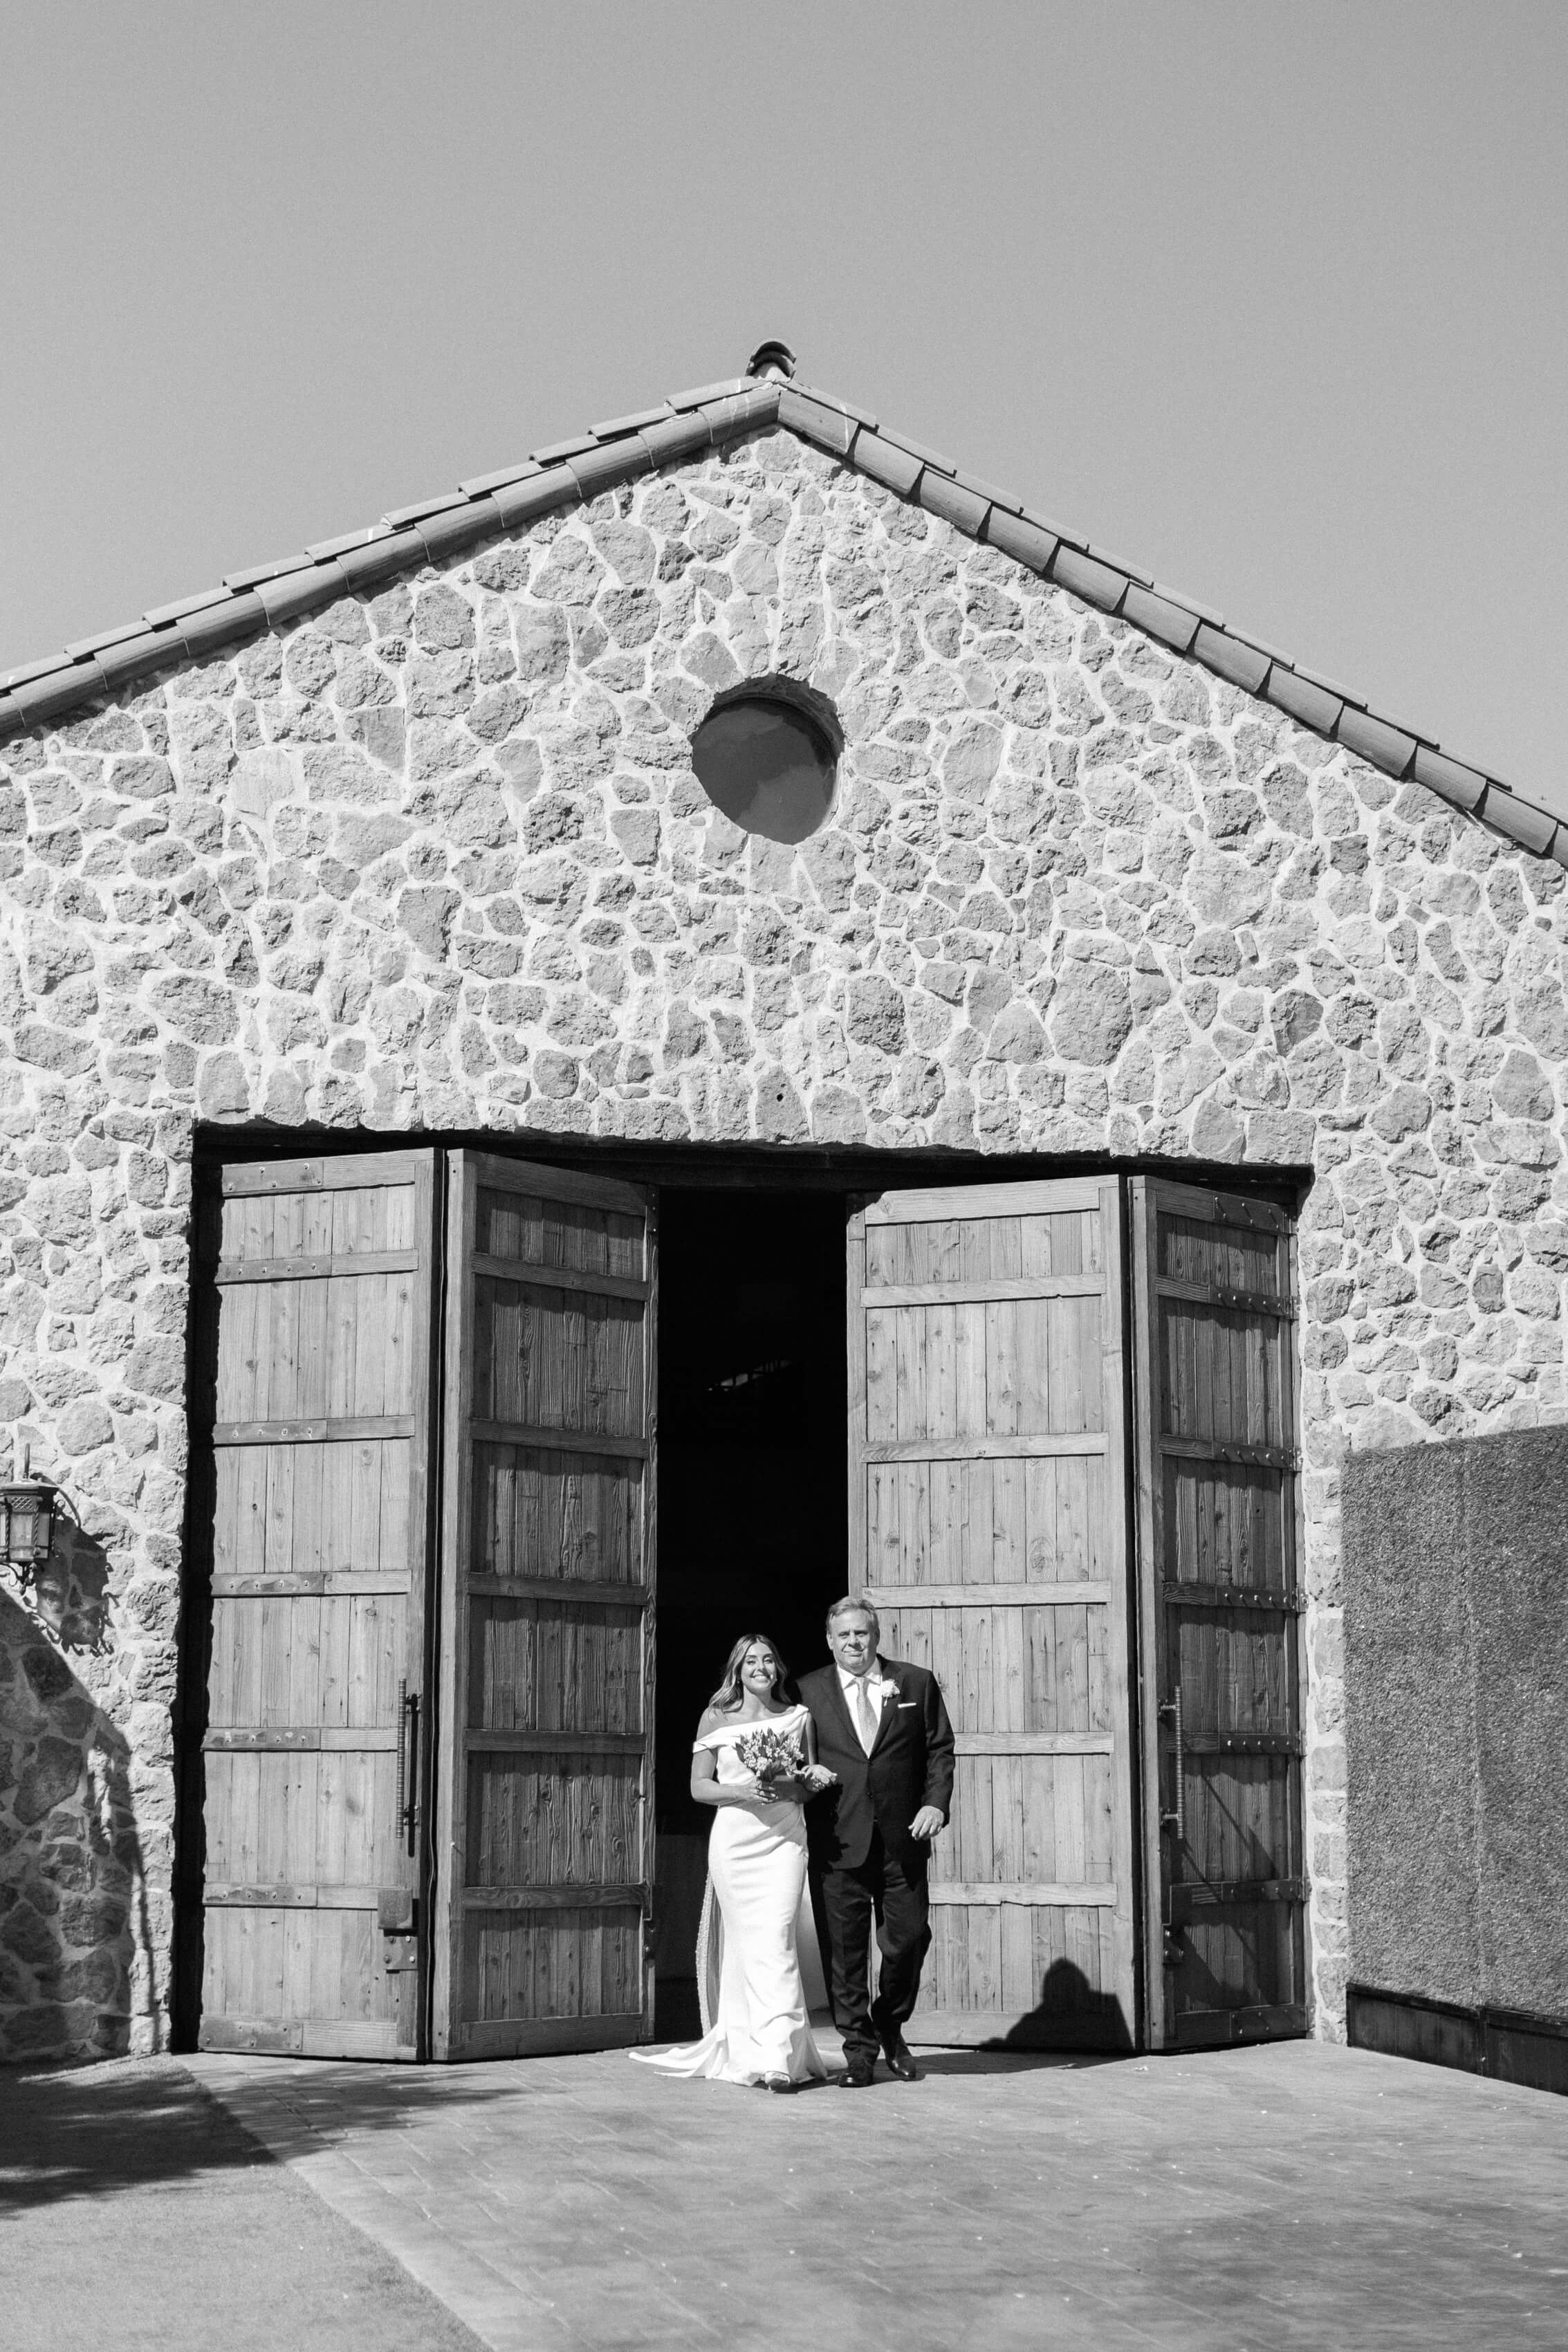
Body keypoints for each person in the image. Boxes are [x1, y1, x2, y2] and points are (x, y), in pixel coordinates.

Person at [630, 1633, 830, 2093]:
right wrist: (743, 1790)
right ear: (737, 1670)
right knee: (747, 1945)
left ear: (778, 1668)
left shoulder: (799, 1717)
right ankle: (748, 2047)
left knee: (777, 1937)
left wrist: (798, 1782)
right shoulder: (714, 1717)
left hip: (784, 1839)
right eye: (750, 1661)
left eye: (767, 1660)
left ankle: (779, 2056)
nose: (760, 1667)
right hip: (736, 1843)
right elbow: (699, 1788)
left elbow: (805, 1787)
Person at [797, 1597, 955, 2087]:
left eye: (861, 1634)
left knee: (907, 1939)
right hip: (838, 1840)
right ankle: (859, 2052)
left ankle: (890, 2022)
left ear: (876, 1635)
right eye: (843, 1636)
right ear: (829, 1641)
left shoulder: (914, 1682)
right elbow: (793, 1757)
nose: (853, 1643)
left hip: (901, 1838)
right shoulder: (806, 1690)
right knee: (844, 1955)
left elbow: (938, 1749)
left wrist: (935, 1804)